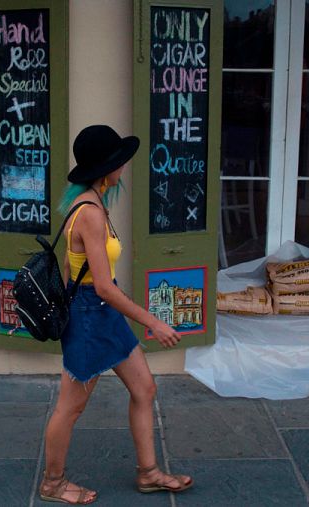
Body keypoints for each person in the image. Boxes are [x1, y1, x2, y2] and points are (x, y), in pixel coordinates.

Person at [39, 125, 193, 504]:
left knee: (144, 388)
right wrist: (153, 321)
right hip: (92, 315)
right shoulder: (89, 213)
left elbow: (71, 267)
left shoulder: (91, 201)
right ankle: (52, 483)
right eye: (119, 161)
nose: (123, 167)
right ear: (106, 168)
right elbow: (103, 287)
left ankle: (149, 473)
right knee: (70, 407)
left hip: (101, 312)